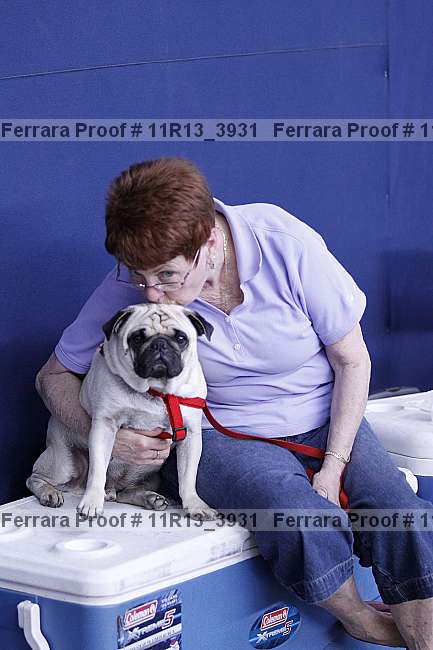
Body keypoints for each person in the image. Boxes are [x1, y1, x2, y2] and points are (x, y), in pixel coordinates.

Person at [36, 157, 433, 648]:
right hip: (221, 434)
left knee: (402, 513)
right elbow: (52, 376)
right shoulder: (136, 280)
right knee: (297, 517)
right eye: (140, 278)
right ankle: (360, 619)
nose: (152, 293)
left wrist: (333, 466)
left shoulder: (284, 243)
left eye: (167, 276)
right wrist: (108, 435)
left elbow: (352, 360)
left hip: (322, 415)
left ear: (207, 243)